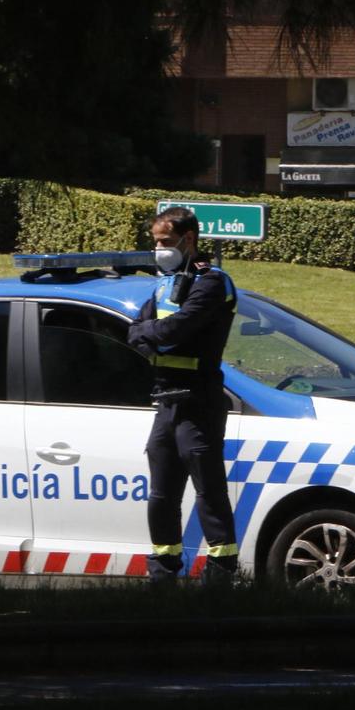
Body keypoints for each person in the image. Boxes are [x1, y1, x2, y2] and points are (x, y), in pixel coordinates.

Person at [128, 206, 238, 584]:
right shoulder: (162, 285)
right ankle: (163, 572)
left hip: (198, 403)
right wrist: (154, 332)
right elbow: (135, 330)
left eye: (166, 242)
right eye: (156, 242)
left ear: (188, 239)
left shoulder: (212, 282)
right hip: (166, 402)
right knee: (162, 496)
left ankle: (220, 572)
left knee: (209, 493)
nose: (159, 249)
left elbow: (181, 327)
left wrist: (153, 332)